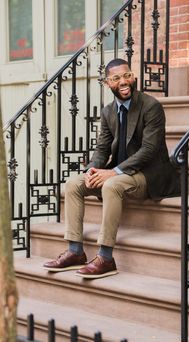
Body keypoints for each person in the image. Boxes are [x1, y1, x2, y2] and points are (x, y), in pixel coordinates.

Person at [43, 58, 180, 278]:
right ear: (108, 83)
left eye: (127, 75)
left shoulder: (150, 106)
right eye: (116, 78)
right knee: (73, 184)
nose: (123, 81)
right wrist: (92, 171)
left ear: (133, 77)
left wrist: (112, 172)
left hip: (149, 174)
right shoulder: (108, 112)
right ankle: (75, 251)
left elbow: (149, 150)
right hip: (121, 172)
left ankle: (106, 257)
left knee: (111, 186)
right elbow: (101, 149)